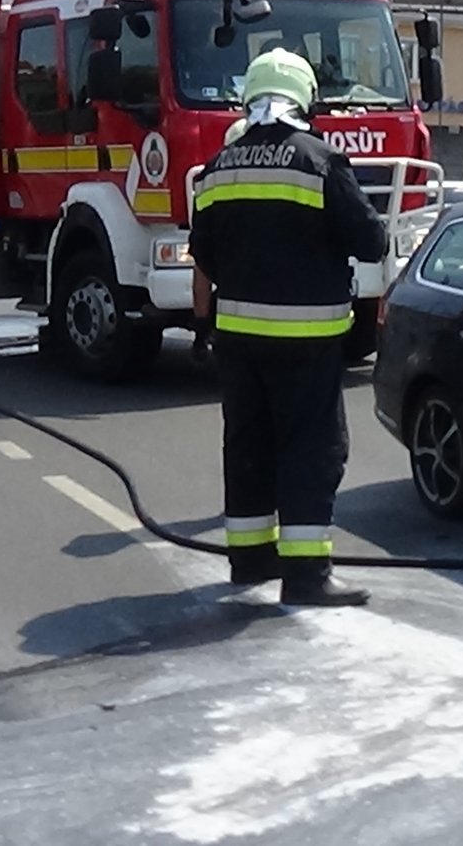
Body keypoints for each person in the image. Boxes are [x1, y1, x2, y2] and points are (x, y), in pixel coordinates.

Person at [188, 48, 387, 606]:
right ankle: (305, 577)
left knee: (248, 443)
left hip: (238, 338)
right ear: (304, 99)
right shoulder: (320, 160)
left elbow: (202, 251)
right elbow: (371, 242)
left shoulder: (217, 169)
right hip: (306, 339)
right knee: (311, 447)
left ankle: (250, 560)